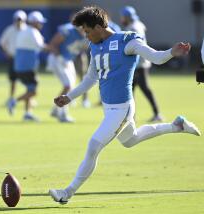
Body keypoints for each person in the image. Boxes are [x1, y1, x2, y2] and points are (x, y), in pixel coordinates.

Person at [49, 6, 201, 204]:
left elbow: (155, 57)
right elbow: (90, 79)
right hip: (109, 108)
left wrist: (172, 52)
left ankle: (66, 193)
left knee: (93, 145)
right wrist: (69, 97)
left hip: (122, 109)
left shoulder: (127, 41)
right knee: (131, 140)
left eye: (87, 31)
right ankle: (177, 125)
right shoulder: (95, 46)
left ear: (98, 27)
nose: (86, 36)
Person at [7, 11, 51, 121]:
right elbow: (41, 46)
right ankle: (13, 101)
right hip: (27, 66)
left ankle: (27, 113)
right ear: (35, 22)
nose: (41, 24)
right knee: (33, 91)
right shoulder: (33, 31)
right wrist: (54, 49)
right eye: (40, 22)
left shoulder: (23, 31)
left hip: (19, 66)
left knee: (29, 89)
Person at [121, 6, 162, 122]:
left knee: (142, 89)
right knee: (131, 90)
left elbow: (139, 44)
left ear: (127, 17)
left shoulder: (133, 27)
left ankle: (156, 113)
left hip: (139, 64)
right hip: (140, 62)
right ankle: (131, 116)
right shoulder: (137, 24)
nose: (121, 19)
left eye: (123, 16)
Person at [47, 22, 87, 122]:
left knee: (71, 87)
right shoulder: (68, 30)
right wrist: (59, 56)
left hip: (68, 60)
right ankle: (62, 114)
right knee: (68, 85)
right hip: (57, 58)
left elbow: (81, 49)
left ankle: (56, 110)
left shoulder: (88, 34)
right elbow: (52, 44)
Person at [0, 10, 27, 103]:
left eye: (20, 20)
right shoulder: (10, 29)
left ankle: (28, 98)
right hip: (13, 58)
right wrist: (5, 53)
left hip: (24, 58)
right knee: (13, 80)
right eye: (17, 19)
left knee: (27, 80)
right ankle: (11, 97)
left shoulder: (27, 30)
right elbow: (1, 43)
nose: (19, 21)